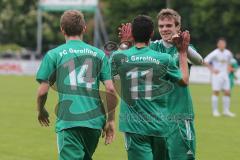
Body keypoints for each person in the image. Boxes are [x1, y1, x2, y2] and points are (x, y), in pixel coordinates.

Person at [119, 8, 203, 160]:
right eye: (162, 26)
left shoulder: (185, 48)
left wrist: (183, 47)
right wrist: (127, 43)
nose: (165, 29)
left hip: (179, 114)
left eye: (169, 25)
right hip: (157, 117)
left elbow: (199, 60)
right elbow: (136, 53)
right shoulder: (154, 47)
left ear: (178, 27)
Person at [36, 10, 117, 160]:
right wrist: (111, 120)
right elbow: (111, 88)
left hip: (70, 122)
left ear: (62, 29)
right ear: (84, 28)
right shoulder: (99, 54)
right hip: (94, 123)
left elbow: (42, 92)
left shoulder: (54, 54)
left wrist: (41, 110)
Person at [204, 38, 235, 117]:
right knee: (216, 92)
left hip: (225, 75)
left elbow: (230, 62)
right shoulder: (215, 53)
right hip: (217, 75)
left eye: (223, 43)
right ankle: (215, 111)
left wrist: (229, 68)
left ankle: (226, 111)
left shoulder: (228, 53)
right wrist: (212, 69)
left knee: (227, 92)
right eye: (220, 43)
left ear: (225, 44)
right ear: (218, 45)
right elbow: (205, 60)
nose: (222, 45)